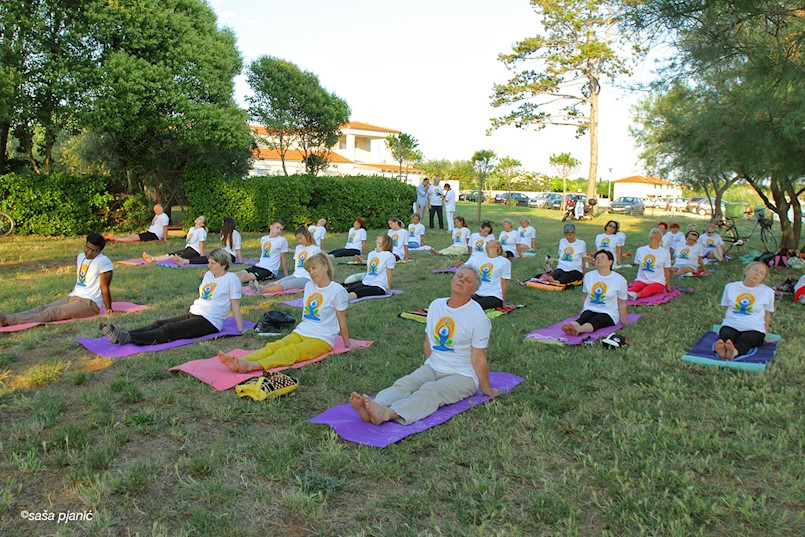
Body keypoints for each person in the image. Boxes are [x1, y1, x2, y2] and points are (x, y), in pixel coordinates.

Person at [348, 267, 500, 426]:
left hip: (463, 375)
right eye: (459, 276)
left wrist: (487, 391)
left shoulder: (478, 317)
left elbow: (478, 358)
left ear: (474, 290)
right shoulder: (436, 305)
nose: (461, 280)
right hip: (434, 367)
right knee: (406, 383)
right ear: (452, 279)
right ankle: (373, 406)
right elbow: (428, 342)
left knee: (430, 391)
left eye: (467, 280)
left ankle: (387, 413)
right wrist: (429, 366)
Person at [219, 253, 350, 371]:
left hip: (322, 338)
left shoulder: (337, 290)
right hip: (302, 331)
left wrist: (347, 344)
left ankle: (252, 365)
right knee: (275, 346)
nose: (311, 272)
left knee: (291, 351)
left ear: (325, 267)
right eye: (309, 270)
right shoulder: (309, 285)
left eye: (314, 268)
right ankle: (242, 360)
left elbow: (342, 320)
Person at [100, 248, 242, 345]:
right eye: (209, 262)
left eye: (213, 263)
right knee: (158, 323)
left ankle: (128, 337)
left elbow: (235, 305)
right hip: (196, 312)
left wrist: (240, 329)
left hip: (210, 321)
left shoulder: (231, 279)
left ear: (224, 265)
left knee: (169, 330)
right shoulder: (209, 275)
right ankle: (122, 334)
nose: (209, 265)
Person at [0, 233, 113, 326]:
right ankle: (8, 317)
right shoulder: (81, 256)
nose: (89, 252)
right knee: (43, 308)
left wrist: (109, 310)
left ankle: (8, 321)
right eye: (88, 248)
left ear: (99, 251)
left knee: (52, 313)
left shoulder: (104, 261)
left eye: (94, 250)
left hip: (89, 303)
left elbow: (105, 288)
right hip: (73, 297)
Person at [715, 261, 774, 360]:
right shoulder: (730, 287)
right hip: (732, 324)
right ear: (746, 271)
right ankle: (723, 350)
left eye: (761, 273)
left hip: (754, 327)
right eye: (755, 270)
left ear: (763, 278)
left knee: (747, 339)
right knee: (727, 335)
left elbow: (767, 315)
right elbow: (726, 309)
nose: (757, 274)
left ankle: (734, 352)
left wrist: (765, 334)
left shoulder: (768, 292)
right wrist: (723, 324)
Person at [561, 249, 628, 336]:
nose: (599, 259)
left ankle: (578, 330)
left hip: (608, 312)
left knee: (596, 321)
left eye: (602, 257)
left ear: (610, 262)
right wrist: (583, 310)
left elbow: (622, 302)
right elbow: (585, 296)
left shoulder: (619, 280)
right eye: (597, 258)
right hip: (591, 308)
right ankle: (571, 326)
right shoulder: (589, 276)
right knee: (583, 318)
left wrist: (623, 321)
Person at [251, 226, 321, 294]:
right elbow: (296, 263)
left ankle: (263, 290)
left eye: (300, 238)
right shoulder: (298, 247)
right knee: (278, 282)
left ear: (307, 235)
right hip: (296, 274)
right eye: (298, 239)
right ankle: (260, 287)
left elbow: (319, 266)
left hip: (307, 277)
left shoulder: (315, 249)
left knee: (285, 284)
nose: (299, 241)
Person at [463, 240, 511, 309]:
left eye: (491, 241)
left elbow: (504, 284)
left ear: (497, 245)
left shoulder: (504, 262)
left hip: (494, 296)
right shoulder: (479, 259)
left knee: (474, 307)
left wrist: (503, 302)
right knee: (463, 304)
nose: (487, 242)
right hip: (479, 293)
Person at [627, 228, 672, 300]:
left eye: (657, 232)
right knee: (634, 287)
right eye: (653, 232)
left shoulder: (665, 252)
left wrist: (668, 286)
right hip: (642, 280)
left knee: (648, 289)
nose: (655, 233)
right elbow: (638, 266)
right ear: (649, 236)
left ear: (660, 239)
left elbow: (666, 270)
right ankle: (625, 295)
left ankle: (636, 295)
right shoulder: (640, 250)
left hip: (658, 282)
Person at [174, 217, 242, 265]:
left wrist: (240, 261)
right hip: (223, 253)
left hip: (230, 256)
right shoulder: (224, 233)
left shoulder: (235, 234)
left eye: (223, 224)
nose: (222, 225)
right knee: (209, 256)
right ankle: (186, 260)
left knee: (209, 258)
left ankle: (186, 261)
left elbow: (237, 249)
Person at [142, 215, 208, 264]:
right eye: (198, 217)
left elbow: (201, 244)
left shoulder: (201, 231)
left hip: (194, 251)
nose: (198, 218)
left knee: (174, 256)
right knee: (172, 254)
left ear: (202, 224)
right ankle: (154, 257)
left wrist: (201, 257)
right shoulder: (192, 229)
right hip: (188, 248)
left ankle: (153, 259)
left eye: (200, 219)